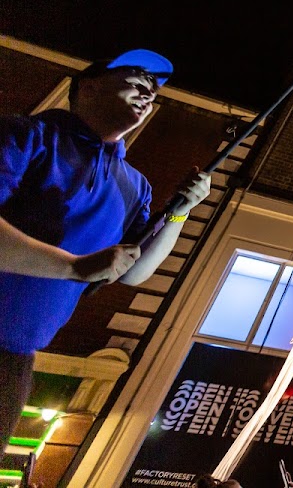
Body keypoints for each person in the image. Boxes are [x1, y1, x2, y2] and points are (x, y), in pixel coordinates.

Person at [0, 50, 211, 443]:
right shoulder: (27, 135)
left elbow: (134, 271)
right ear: (89, 87)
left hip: (15, 359)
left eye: (154, 90)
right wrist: (72, 266)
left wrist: (181, 212)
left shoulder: (135, 185)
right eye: (137, 79)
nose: (148, 93)